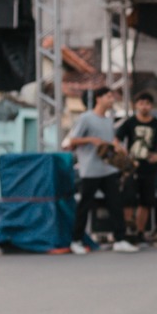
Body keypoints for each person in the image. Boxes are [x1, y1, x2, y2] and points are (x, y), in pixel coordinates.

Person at [62, 87, 137, 254]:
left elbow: (110, 142)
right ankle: (76, 240)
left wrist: (119, 149)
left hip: (108, 168)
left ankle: (120, 239)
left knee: (115, 203)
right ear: (98, 98)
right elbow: (70, 140)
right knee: (85, 205)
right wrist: (90, 139)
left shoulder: (108, 120)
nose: (112, 100)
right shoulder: (86, 118)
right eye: (108, 96)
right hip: (90, 169)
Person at [116, 91, 157, 244]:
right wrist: (125, 155)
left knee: (146, 201)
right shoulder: (130, 122)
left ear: (151, 106)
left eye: (147, 103)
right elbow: (116, 139)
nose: (144, 106)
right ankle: (128, 229)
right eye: (141, 103)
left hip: (149, 168)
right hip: (131, 167)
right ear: (136, 105)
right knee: (128, 199)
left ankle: (140, 231)